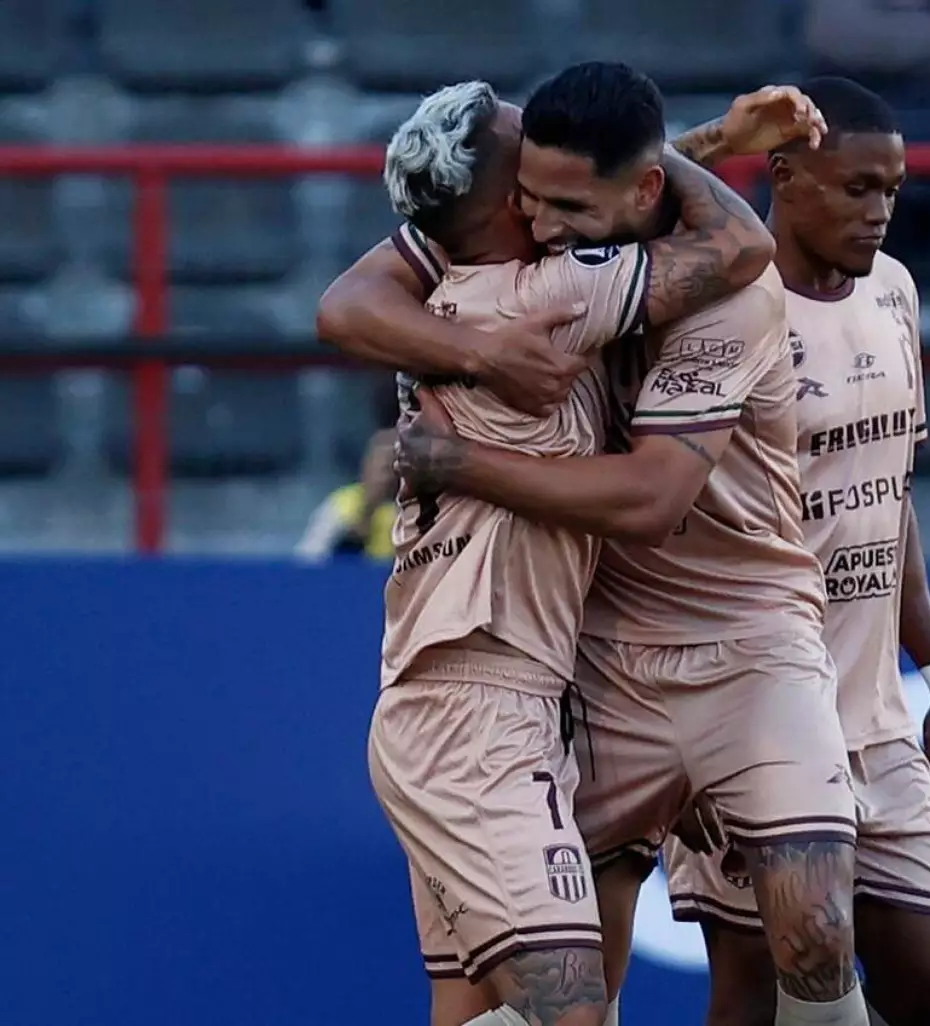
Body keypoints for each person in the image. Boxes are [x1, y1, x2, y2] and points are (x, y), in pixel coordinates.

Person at [331, 63, 872, 1026]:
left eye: (561, 196)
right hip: (512, 688)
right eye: (527, 191)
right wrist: (692, 150)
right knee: (567, 1008)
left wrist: (459, 458)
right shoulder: (542, 290)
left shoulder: (467, 286)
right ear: (501, 206)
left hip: (641, 657)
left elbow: (349, 303)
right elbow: (734, 240)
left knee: (493, 1007)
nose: (542, 215)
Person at [658, 77, 930, 1026]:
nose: (879, 211)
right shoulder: (719, 308)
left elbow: (891, 497)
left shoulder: (895, 291)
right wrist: (688, 742)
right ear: (786, 179)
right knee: (756, 988)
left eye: (893, 190)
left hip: (874, 713)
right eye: (857, 188)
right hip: (752, 709)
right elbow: (663, 528)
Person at [295, 374, 399, 562]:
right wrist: (367, 512)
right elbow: (309, 568)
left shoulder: (438, 507)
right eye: (384, 459)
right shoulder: (341, 507)